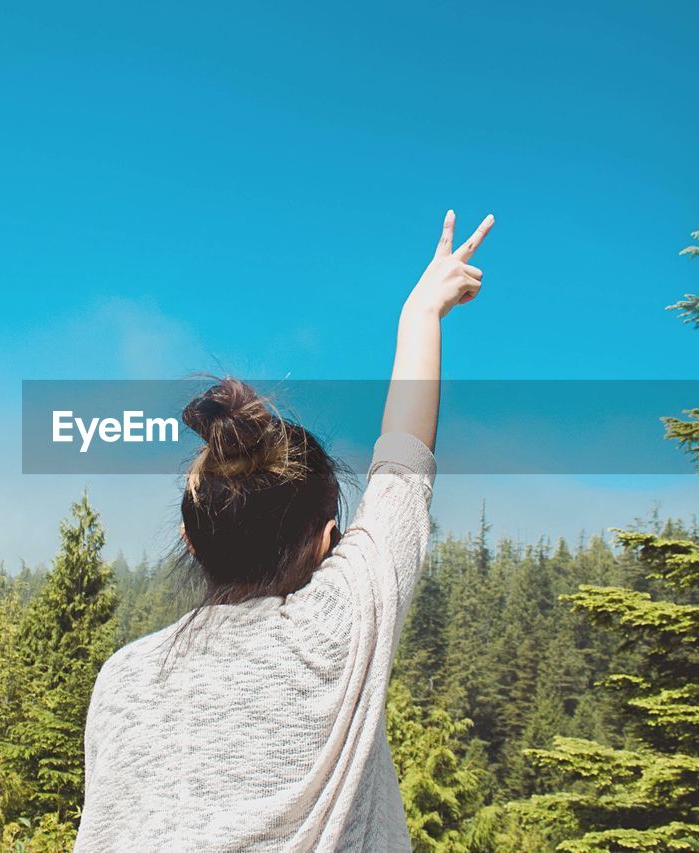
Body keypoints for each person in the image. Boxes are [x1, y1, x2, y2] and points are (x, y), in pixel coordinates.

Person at [75, 210, 494, 851]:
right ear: (328, 542)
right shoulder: (342, 626)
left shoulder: (121, 682)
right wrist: (420, 315)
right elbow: (403, 468)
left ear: (192, 541)